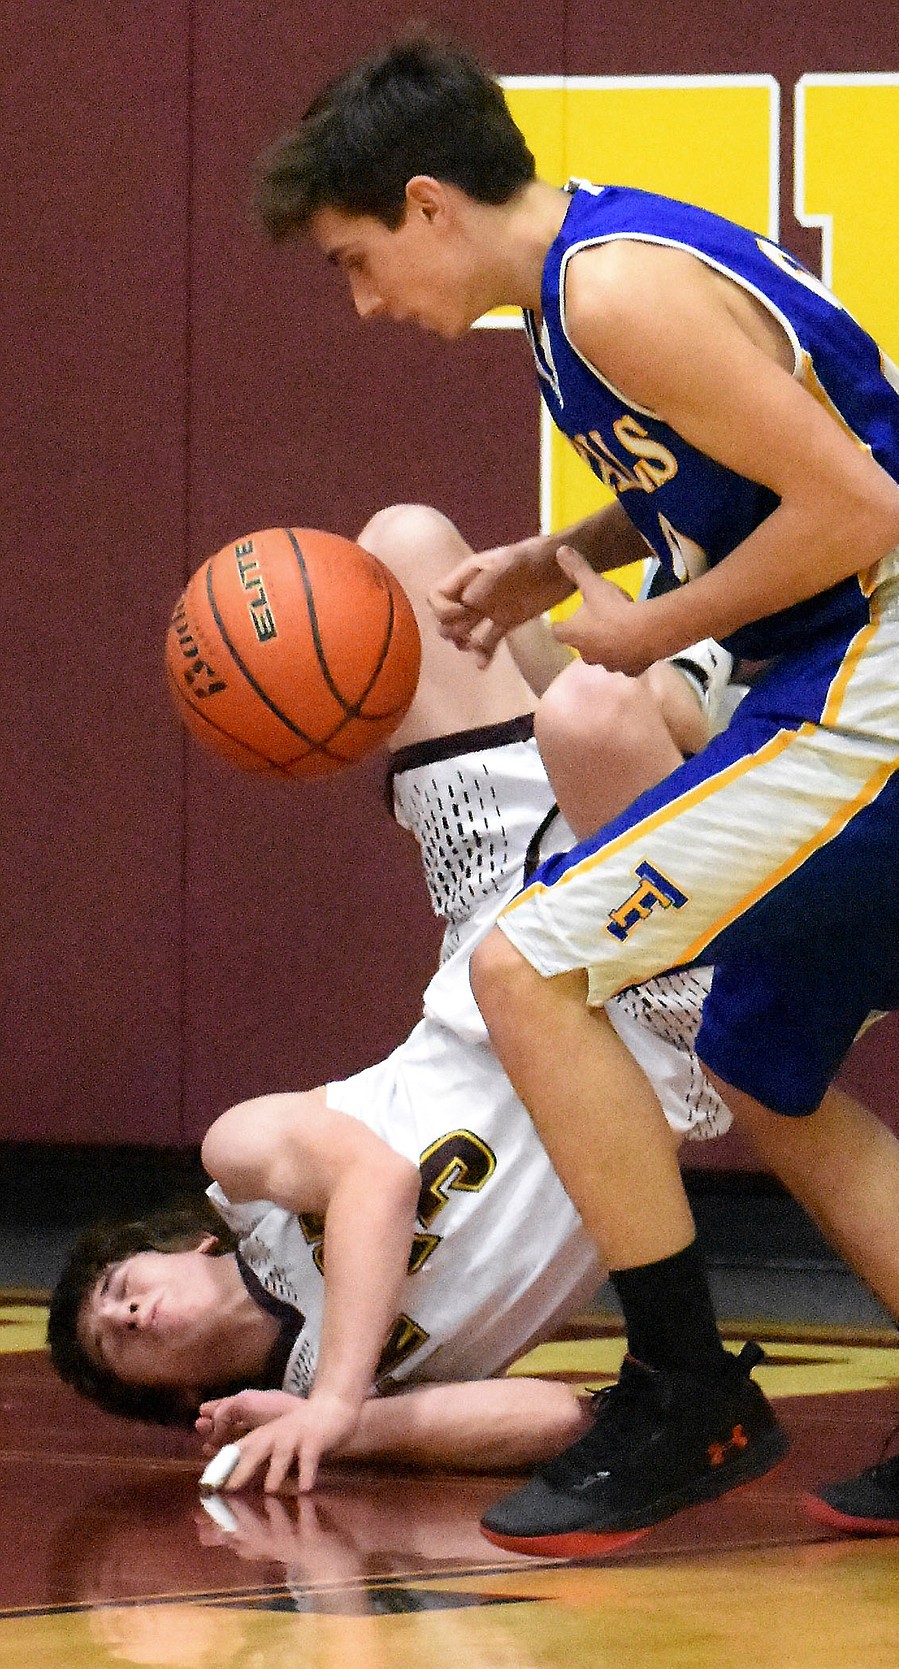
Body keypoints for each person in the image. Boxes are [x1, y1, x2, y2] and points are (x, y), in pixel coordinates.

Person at [252, 30, 899, 1555]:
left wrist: (650, 628)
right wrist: (557, 555)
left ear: (430, 203)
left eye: (361, 259)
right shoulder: (584, 284)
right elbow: (731, 465)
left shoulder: (609, 292)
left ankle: (682, 1387)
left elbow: (858, 507)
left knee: (524, 961)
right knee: (768, 1076)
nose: (369, 301)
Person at [48, 504, 759, 1507]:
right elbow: (558, 1418)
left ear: (184, 1246)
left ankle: (662, 703)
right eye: (117, 1347)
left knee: (406, 546)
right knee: (609, 719)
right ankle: (710, 665)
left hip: (491, 924)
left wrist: (335, 1399)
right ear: (192, 1400)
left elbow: (376, 1180)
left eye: (119, 1292)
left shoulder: (243, 1167)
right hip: (639, 1024)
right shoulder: (340, 1392)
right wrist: (354, 1423)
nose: (126, 1317)